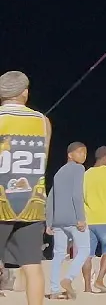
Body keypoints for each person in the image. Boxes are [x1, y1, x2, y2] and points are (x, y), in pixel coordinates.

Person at [0, 71, 51, 305]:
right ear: (25, 93)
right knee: (32, 266)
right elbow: (43, 161)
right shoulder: (42, 121)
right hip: (32, 201)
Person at [46, 142, 89, 300]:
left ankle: (54, 289)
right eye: (80, 152)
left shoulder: (59, 172)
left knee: (58, 254)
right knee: (84, 249)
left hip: (58, 220)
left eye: (85, 153)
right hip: (73, 218)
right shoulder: (79, 168)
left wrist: (49, 222)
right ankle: (68, 279)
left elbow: (51, 197)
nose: (83, 155)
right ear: (70, 154)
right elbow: (77, 194)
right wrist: (81, 218)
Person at [80, 145, 106, 294]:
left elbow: (80, 196)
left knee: (87, 255)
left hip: (88, 219)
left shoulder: (85, 174)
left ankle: (87, 287)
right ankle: (99, 280)